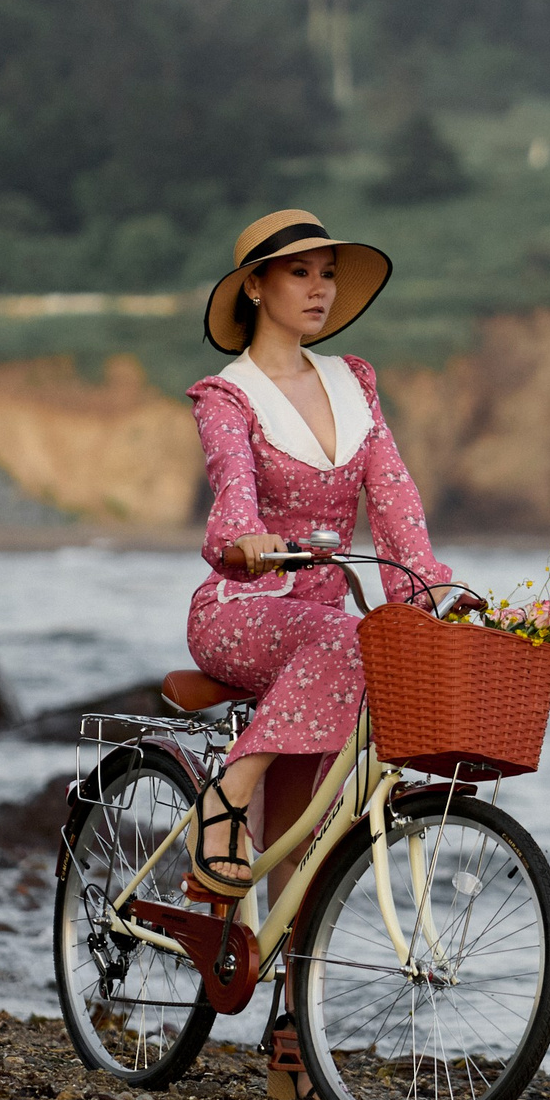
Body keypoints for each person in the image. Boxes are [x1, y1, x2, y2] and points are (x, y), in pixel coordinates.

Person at [182, 208, 453, 895]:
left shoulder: (352, 382)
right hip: (242, 611)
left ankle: (290, 968)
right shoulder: (227, 395)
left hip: (326, 626)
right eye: (299, 272)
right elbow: (232, 484)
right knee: (350, 641)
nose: (319, 288)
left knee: (305, 840)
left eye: (327, 274)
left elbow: (394, 497)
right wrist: (244, 538)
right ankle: (227, 796)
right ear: (254, 286)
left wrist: (427, 594)